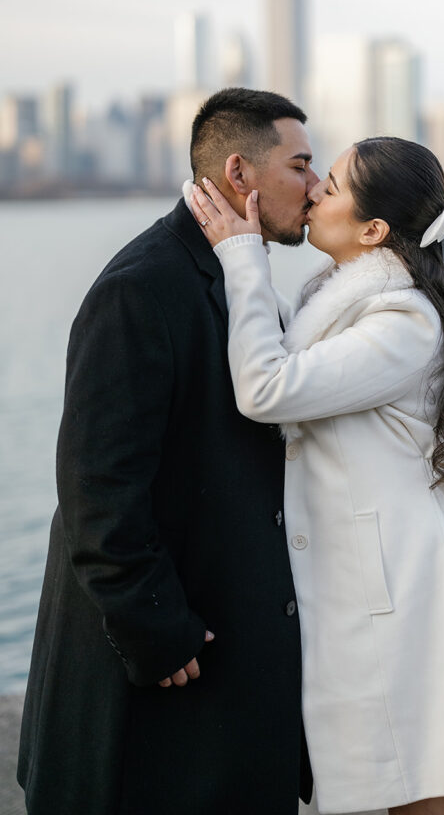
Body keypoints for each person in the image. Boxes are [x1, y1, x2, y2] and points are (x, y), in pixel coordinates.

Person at [189, 136, 444, 815]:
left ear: (373, 230)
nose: (313, 194)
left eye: (329, 185)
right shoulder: (339, 302)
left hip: (395, 591)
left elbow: (267, 389)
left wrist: (240, 259)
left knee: (423, 802)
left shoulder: (403, 321)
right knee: (399, 798)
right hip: (362, 584)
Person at [18, 88, 318, 815]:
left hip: (220, 680)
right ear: (240, 175)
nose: (317, 186)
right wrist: (157, 629)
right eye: (302, 165)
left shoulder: (228, 270)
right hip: (157, 681)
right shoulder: (141, 289)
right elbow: (96, 486)